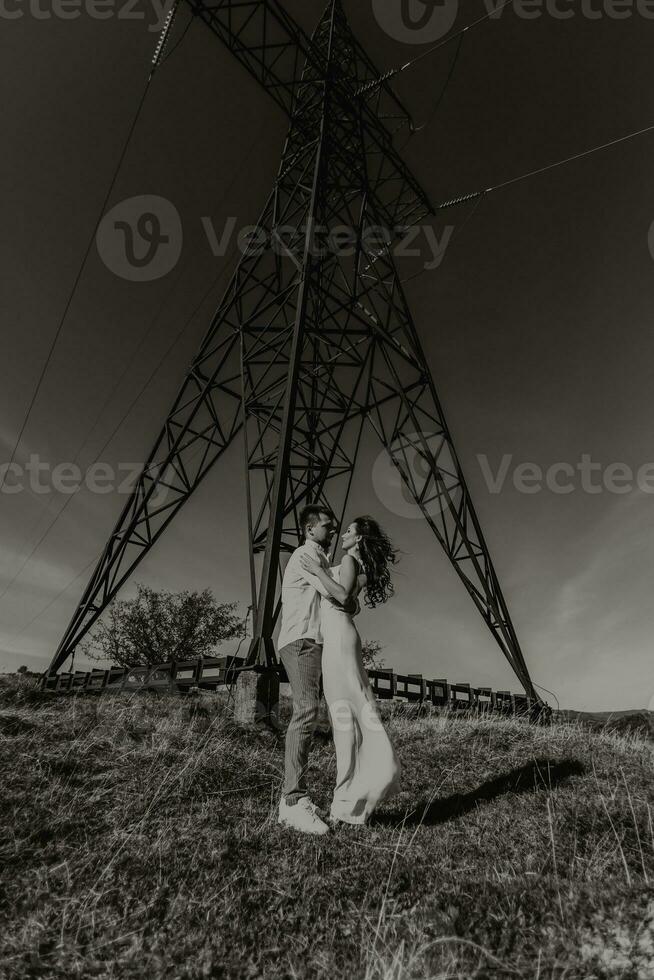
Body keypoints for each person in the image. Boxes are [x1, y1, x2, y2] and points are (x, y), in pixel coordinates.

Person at [299, 515, 401, 826]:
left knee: (344, 720)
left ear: (358, 539)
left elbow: (343, 597)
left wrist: (316, 570)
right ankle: (355, 797)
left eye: (348, 531)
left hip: (340, 640)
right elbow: (351, 601)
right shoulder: (361, 565)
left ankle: (348, 802)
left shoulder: (347, 560)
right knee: (354, 713)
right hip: (345, 636)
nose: (342, 534)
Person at [276, 504, 341, 836]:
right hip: (301, 640)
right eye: (328, 526)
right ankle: (291, 801)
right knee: (305, 712)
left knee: (311, 713)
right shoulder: (305, 555)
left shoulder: (321, 557)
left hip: (311, 641)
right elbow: (334, 592)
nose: (332, 531)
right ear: (309, 528)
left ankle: (298, 797)